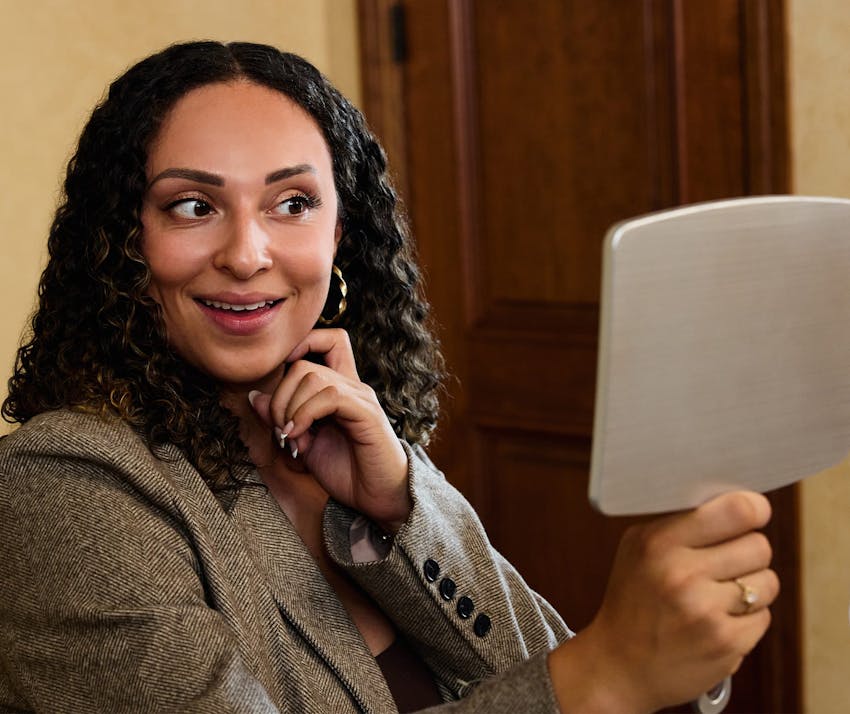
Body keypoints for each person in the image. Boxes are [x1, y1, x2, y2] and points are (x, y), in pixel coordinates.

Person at [0, 41, 778, 713]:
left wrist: (402, 502)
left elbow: (530, 664)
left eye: (292, 202)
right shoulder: (61, 490)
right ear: (123, 240)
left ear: (340, 233)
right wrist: (605, 674)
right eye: (194, 205)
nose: (246, 254)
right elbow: (579, 685)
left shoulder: (350, 442)